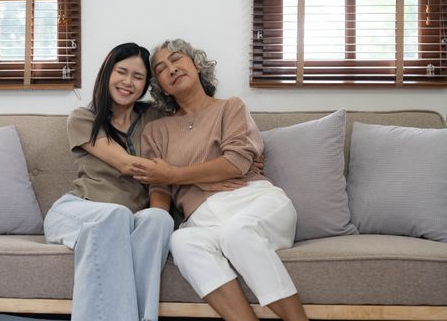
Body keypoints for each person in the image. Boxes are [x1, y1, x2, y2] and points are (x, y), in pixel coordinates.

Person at [137, 39, 309, 321]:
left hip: (253, 200)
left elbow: (236, 163)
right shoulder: (155, 131)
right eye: (161, 69)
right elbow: (159, 185)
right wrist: (161, 211)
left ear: (196, 64)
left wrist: (177, 175)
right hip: (202, 218)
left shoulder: (231, 107)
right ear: (160, 86)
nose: (172, 69)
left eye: (177, 59)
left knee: (237, 232)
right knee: (181, 242)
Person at [42, 43, 174, 321]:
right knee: (115, 214)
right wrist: (178, 170)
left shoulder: (155, 118)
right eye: (122, 72)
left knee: (160, 220)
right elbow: (127, 164)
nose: (128, 82)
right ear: (107, 73)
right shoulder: (84, 118)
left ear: (147, 84)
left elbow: (194, 132)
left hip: (129, 219)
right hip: (77, 210)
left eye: (138, 77)